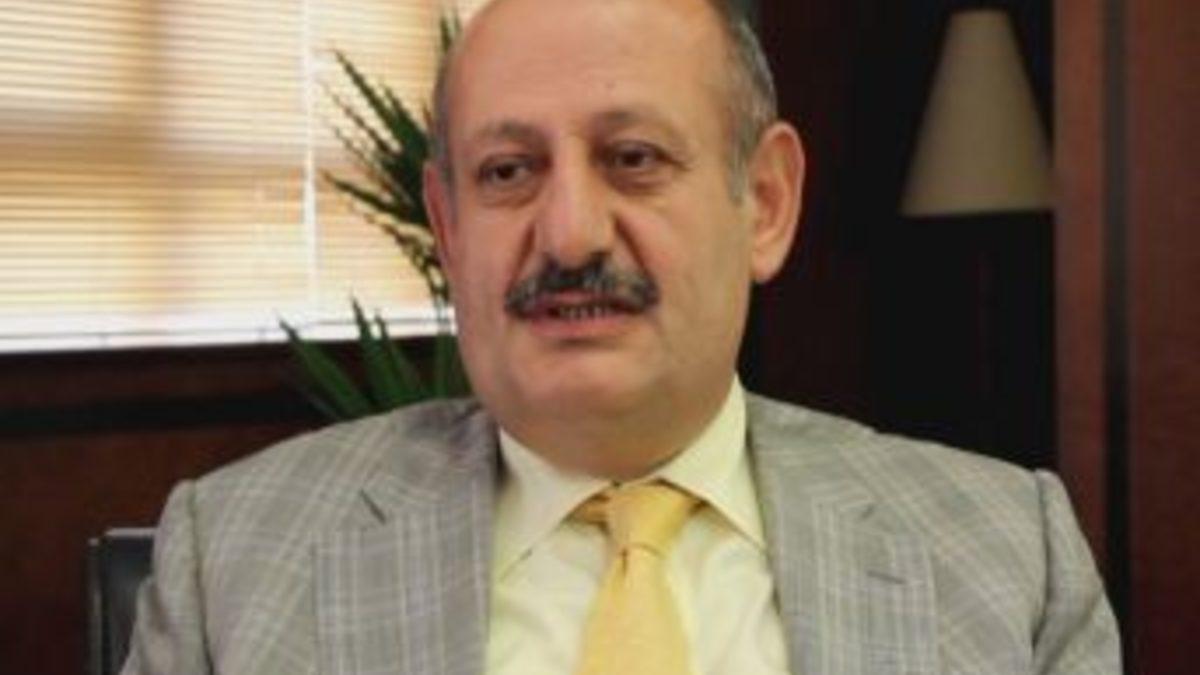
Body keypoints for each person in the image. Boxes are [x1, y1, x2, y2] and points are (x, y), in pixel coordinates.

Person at [122, 0, 1121, 673]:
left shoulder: (1006, 557)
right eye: (509, 172)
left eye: (633, 158)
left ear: (766, 204)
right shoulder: (236, 563)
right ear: (450, 227)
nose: (569, 235)